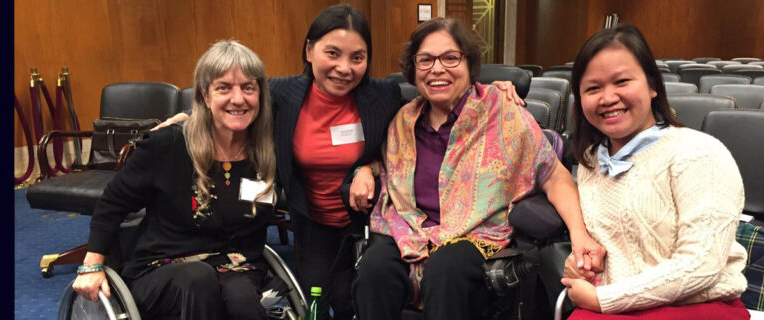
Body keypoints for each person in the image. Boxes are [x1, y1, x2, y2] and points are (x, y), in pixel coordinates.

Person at [152, 5, 524, 319]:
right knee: (316, 300)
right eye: (333, 53)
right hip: (311, 220)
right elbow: (235, 103)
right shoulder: (281, 93)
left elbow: (430, 103)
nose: (344, 68)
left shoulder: (382, 95)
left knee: (355, 298)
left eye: (357, 57)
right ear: (310, 50)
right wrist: (188, 117)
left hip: (366, 220)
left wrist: (497, 86)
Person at [352, 18, 606, 320]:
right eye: (425, 60)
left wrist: (579, 234)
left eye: (450, 58)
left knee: (445, 269)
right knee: (372, 271)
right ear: (413, 69)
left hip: (475, 234)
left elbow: (553, 175)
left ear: (469, 64)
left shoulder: (503, 114)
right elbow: (386, 164)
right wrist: (364, 170)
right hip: (410, 231)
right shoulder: (403, 121)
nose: (437, 69)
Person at [72, 40, 277, 320]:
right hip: (162, 267)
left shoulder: (266, 150)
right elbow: (112, 204)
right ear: (205, 96)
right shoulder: (168, 146)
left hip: (234, 266)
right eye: (224, 88)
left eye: (248, 87)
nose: (238, 98)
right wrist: (92, 263)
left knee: (242, 300)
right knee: (198, 279)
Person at [559, 23, 750, 319]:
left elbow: (701, 266)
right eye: (593, 88)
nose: (608, 97)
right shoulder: (591, 161)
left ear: (652, 85)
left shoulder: (698, 153)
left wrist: (604, 298)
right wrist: (580, 263)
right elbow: (615, 245)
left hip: (693, 307)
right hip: (620, 305)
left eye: (621, 81)